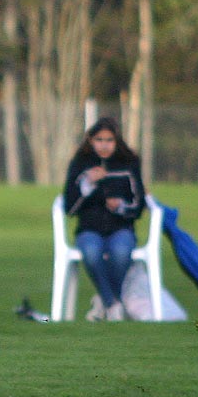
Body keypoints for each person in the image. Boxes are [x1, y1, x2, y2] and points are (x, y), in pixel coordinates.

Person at [61, 117, 145, 321]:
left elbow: (139, 204)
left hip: (121, 227)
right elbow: (69, 207)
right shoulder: (80, 164)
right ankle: (113, 304)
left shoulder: (128, 163)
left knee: (121, 251)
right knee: (91, 251)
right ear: (90, 140)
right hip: (89, 228)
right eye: (99, 140)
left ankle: (105, 300)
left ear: (117, 141)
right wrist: (87, 184)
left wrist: (121, 206)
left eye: (109, 140)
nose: (104, 145)